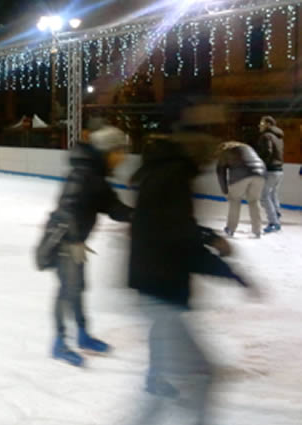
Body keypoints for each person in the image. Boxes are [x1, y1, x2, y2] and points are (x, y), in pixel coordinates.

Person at [127, 107, 258, 425]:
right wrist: (232, 273)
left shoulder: (167, 169)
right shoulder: (174, 173)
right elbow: (179, 239)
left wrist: (208, 237)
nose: (213, 146)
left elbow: (174, 226)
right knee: (201, 376)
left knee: (168, 386)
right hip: (162, 289)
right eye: (208, 136)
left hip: (155, 285)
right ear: (192, 137)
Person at [35, 125, 133, 367]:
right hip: (63, 240)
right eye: (119, 151)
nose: (122, 157)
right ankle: (59, 342)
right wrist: (75, 240)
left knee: (77, 289)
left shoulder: (95, 174)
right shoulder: (83, 174)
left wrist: (142, 216)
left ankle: (82, 334)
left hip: (73, 240)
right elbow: (67, 207)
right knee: (68, 290)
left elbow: (114, 208)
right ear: (107, 150)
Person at [216, 142, 266, 238]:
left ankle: (230, 228)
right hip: (260, 173)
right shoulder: (247, 147)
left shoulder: (225, 151)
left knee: (235, 200)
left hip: (240, 174)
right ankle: (257, 230)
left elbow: (220, 172)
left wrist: (225, 190)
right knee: (254, 201)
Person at [253, 116, 284, 233]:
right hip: (279, 170)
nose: (259, 126)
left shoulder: (266, 136)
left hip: (270, 170)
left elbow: (268, 152)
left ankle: (274, 223)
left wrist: (259, 163)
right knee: (272, 193)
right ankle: (276, 213)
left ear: (268, 124)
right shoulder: (279, 137)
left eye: (261, 123)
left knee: (264, 196)